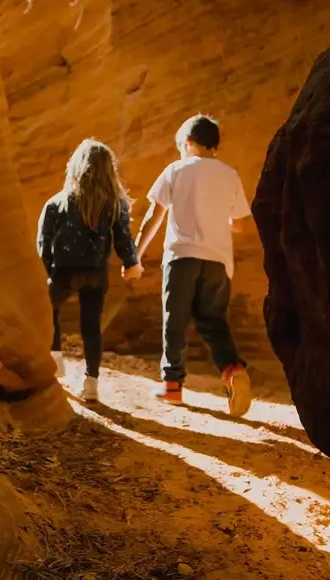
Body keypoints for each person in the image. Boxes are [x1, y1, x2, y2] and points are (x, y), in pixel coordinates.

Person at [135, 113, 252, 417]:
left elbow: (154, 216)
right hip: (217, 260)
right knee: (213, 321)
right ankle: (232, 368)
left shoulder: (175, 170)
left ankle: (172, 385)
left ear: (187, 143)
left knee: (175, 319)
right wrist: (214, 215)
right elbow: (241, 226)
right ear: (214, 145)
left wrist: (135, 254)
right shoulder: (230, 175)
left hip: (182, 255)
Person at [37, 139, 143, 401]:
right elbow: (123, 239)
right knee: (91, 326)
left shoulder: (57, 203)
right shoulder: (114, 204)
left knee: (48, 309)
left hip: (62, 272)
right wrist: (132, 264)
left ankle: (56, 355)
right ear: (108, 170)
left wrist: (45, 271)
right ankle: (91, 383)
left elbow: (43, 243)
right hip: (96, 274)